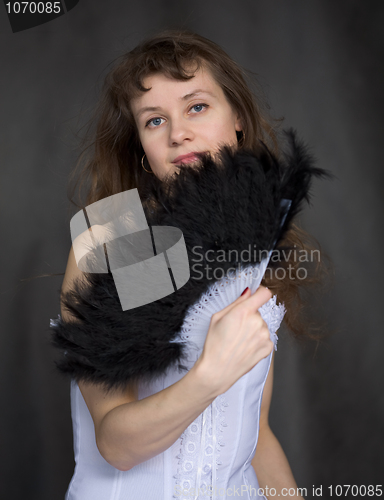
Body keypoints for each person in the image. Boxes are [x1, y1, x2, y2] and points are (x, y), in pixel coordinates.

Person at [54, 30, 325, 500]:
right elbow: (117, 443)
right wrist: (210, 374)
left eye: (196, 106)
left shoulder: (258, 243)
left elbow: (255, 436)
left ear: (237, 117)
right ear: (141, 143)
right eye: (154, 120)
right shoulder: (118, 237)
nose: (178, 132)